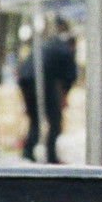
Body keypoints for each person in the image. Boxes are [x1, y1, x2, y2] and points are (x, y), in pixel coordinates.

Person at [18, 24, 77, 164]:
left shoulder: (50, 44)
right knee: (55, 121)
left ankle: (28, 152)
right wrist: (63, 99)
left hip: (26, 78)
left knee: (35, 119)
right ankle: (51, 156)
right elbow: (69, 78)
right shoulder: (66, 51)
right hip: (42, 80)